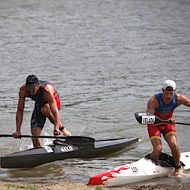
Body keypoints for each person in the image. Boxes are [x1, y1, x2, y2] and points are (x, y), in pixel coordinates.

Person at [13, 75, 71, 147]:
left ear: (38, 85)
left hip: (53, 102)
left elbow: (55, 113)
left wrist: (56, 129)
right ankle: (39, 152)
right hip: (39, 103)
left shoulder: (47, 90)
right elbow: (20, 111)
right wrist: (18, 130)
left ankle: (62, 129)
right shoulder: (23, 90)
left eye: (33, 88)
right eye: (29, 88)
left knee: (45, 110)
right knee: (34, 137)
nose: (31, 90)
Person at [146, 79, 190, 176]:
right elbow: (149, 120)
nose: (168, 96)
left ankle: (177, 167)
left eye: (171, 93)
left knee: (173, 144)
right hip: (154, 125)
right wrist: (164, 121)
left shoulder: (179, 99)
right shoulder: (154, 101)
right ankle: (150, 167)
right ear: (162, 90)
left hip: (167, 125)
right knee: (158, 149)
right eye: (166, 93)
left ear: (175, 91)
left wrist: (167, 122)